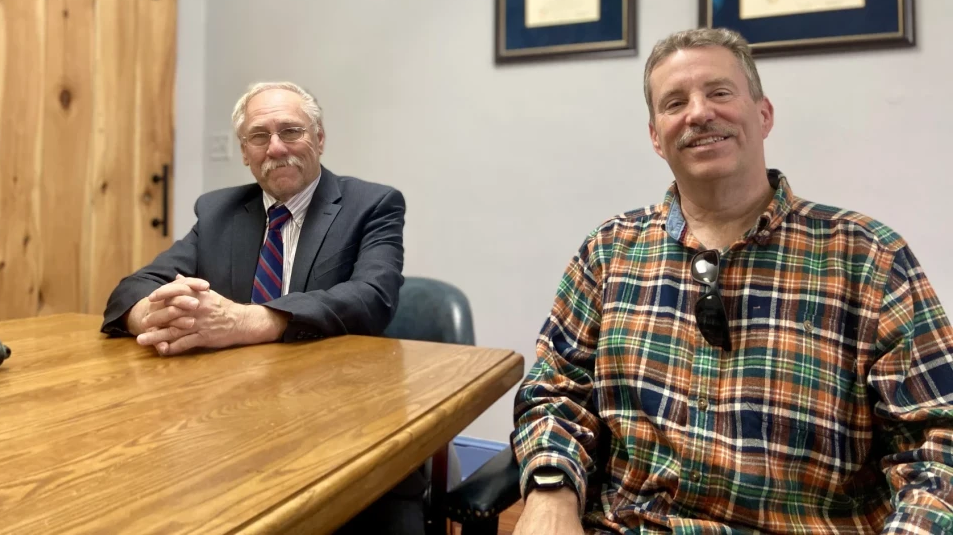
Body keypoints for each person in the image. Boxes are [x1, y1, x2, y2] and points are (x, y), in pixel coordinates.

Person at [510, 29, 953, 534]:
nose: (698, 113)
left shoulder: (868, 258)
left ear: (763, 115)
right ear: (657, 136)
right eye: (675, 102)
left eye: (719, 92)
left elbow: (937, 441)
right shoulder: (608, 254)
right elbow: (553, 390)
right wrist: (551, 491)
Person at [101, 80, 424, 535]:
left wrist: (248, 320)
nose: (276, 148)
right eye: (259, 136)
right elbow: (133, 287)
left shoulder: (371, 204)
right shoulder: (218, 211)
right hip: (233, 428)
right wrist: (150, 315)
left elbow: (373, 296)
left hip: (344, 429)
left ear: (319, 138)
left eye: (291, 131)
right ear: (245, 152)